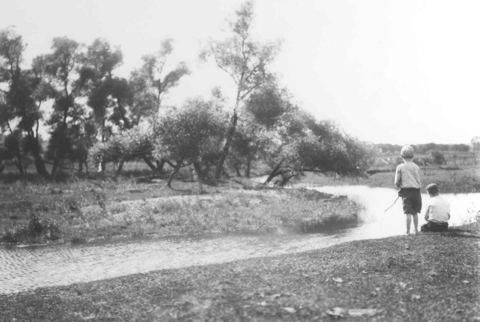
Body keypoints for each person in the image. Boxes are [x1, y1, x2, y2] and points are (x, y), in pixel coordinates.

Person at [394, 145, 422, 235]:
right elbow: (418, 179)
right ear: (412, 156)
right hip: (417, 191)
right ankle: (416, 231)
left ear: (402, 156)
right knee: (415, 212)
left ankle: (408, 231)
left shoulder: (400, 167)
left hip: (406, 192)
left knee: (408, 213)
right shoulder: (416, 166)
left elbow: (396, 181)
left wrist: (399, 186)